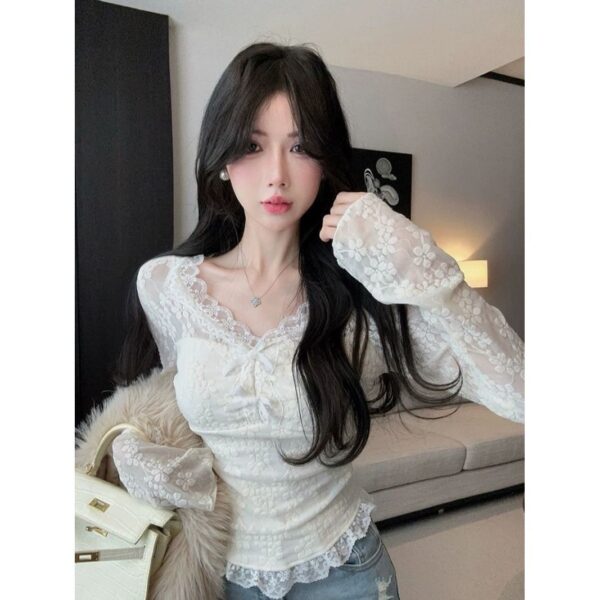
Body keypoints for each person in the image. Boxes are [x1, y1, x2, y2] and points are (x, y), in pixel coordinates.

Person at [111, 41, 524, 600]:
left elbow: (521, 391)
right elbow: (171, 406)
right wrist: (141, 454)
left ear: (326, 162)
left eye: (300, 146)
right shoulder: (168, 285)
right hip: (215, 574)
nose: (276, 175)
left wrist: (429, 271)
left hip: (345, 573)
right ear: (223, 157)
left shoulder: (362, 296)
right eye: (253, 145)